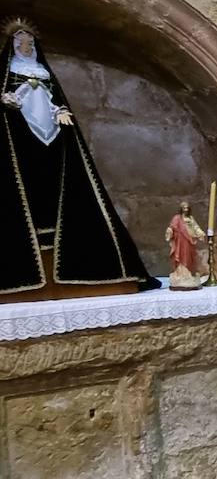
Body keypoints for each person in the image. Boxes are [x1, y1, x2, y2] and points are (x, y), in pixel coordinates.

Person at [1, 19, 158, 295]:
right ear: (12, 46)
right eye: (20, 42)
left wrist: (61, 109)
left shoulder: (42, 70)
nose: (25, 45)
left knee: (62, 185)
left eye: (29, 41)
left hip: (52, 133)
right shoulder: (9, 70)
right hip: (19, 134)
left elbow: (55, 97)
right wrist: (5, 100)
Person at [165, 201, 206, 286]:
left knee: (189, 256)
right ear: (181, 209)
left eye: (187, 208)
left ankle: (189, 272)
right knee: (181, 256)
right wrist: (170, 231)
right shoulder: (177, 218)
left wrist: (200, 232)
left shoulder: (190, 218)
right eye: (184, 208)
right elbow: (172, 227)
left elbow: (195, 227)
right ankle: (181, 273)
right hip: (180, 240)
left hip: (189, 240)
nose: (186, 209)